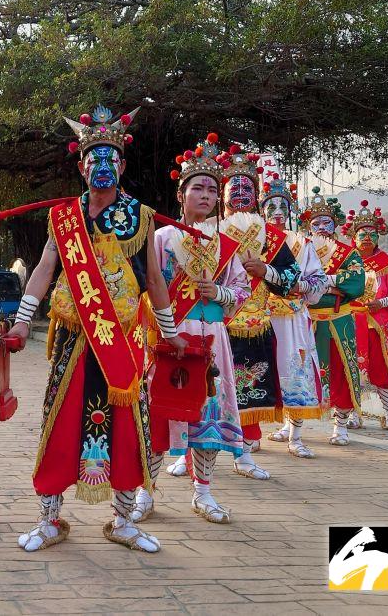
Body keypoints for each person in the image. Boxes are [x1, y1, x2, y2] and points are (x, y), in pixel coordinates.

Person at [7, 106, 182, 553]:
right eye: (94, 159)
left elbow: (156, 283)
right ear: (81, 166)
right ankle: (50, 519)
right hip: (72, 337)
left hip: (122, 340)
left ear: (122, 165)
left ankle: (122, 520)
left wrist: (169, 331)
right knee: (61, 420)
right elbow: (46, 270)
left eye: (110, 158)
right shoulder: (64, 217)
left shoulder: (140, 217)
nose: (102, 166)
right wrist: (24, 321)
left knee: (126, 425)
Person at [152, 134, 250, 524]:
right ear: (182, 194)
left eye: (212, 189)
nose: (206, 195)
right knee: (161, 411)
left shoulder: (226, 244)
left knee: (208, 412)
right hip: (172, 332)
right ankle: (147, 492)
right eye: (198, 188)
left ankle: (203, 492)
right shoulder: (162, 237)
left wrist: (220, 291)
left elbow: (242, 291)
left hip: (213, 336)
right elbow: (151, 286)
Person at [216, 149, 301, 480]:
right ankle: (190, 453)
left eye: (247, 188)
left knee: (249, 391)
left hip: (254, 323)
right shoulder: (209, 228)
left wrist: (265, 269)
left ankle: (245, 454)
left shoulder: (272, 235)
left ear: (256, 195)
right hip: (214, 321)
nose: (240, 194)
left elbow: (291, 279)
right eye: (233, 188)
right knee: (205, 388)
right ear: (222, 192)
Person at [260, 174, 328, 457]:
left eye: (282, 207)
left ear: (290, 212)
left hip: (293, 317)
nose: (277, 213)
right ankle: (254, 434)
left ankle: (296, 435)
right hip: (260, 317)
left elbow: (318, 282)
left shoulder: (303, 244)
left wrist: (301, 285)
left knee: (295, 371)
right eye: (271, 207)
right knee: (260, 373)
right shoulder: (255, 238)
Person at [300, 187, 366, 447]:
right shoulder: (300, 248)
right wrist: (334, 286)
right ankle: (292, 424)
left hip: (339, 319)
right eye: (315, 223)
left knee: (342, 371)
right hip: (307, 319)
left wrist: (322, 282)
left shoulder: (347, 253)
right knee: (300, 369)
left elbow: (356, 284)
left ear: (335, 224)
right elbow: (295, 282)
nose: (321, 227)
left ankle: (341, 425)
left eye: (326, 222)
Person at [342, 201, 388, 432]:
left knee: (384, 369)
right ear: (354, 235)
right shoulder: (344, 262)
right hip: (350, 323)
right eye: (363, 233)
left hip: (379, 326)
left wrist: (381, 302)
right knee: (351, 369)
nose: (367, 238)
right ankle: (352, 413)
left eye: (372, 234)